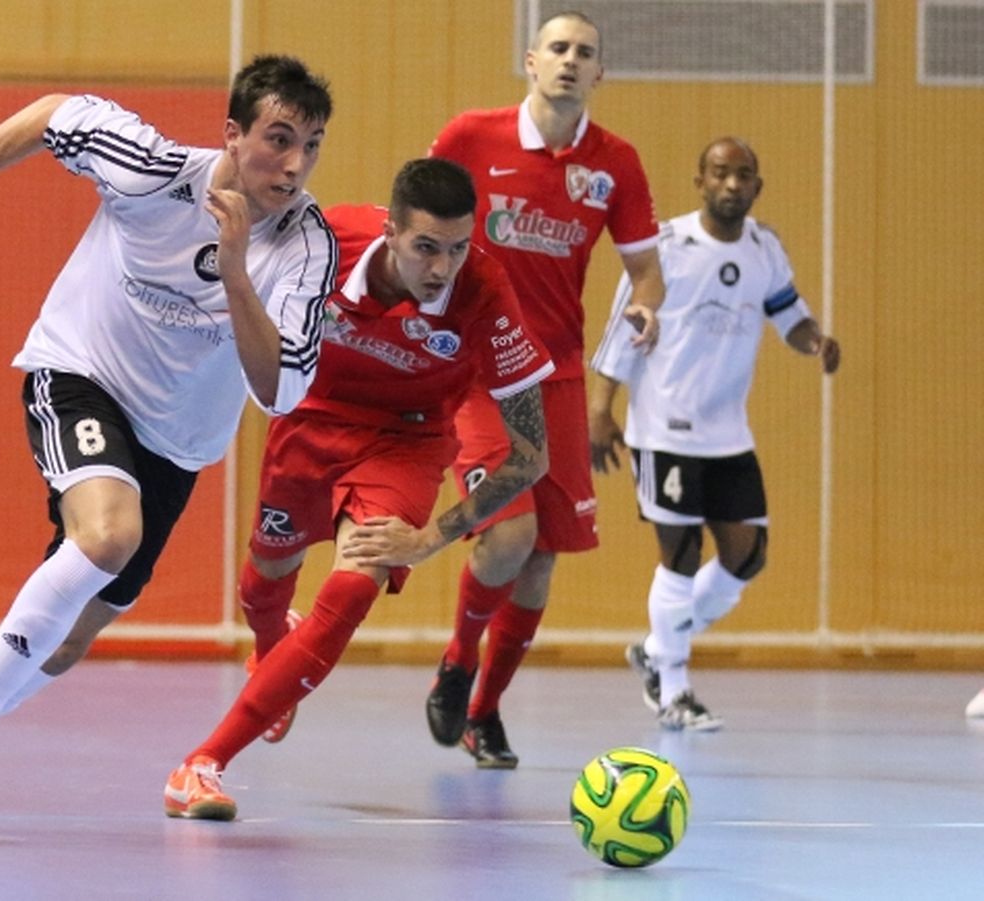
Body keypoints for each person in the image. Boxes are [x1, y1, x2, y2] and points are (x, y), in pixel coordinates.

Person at [0, 55, 336, 831]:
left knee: (67, 635)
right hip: (81, 375)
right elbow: (51, 112)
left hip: (177, 445)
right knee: (110, 535)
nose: (293, 163)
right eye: (278, 139)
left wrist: (241, 271)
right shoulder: (150, 168)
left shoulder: (305, 243)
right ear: (232, 134)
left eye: (310, 146)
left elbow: (279, 391)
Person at [162, 158, 554, 820]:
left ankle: (201, 762)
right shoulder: (328, 236)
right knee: (263, 584)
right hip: (311, 417)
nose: (441, 267)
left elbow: (532, 455)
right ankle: (271, 647)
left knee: (351, 586)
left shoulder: (483, 290)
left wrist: (430, 538)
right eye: (426, 247)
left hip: (407, 440)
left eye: (457, 248)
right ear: (392, 229)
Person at [424, 10, 664, 767]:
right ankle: (459, 660)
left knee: (540, 560)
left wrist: (648, 307)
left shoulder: (615, 163)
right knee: (511, 534)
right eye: (557, 48)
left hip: (554, 374)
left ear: (600, 74)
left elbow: (645, 269)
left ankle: (484, 711)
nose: (569, 61)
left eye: (584, 53)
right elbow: (418, 227)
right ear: (531, 62)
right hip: (475, 370)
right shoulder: (470, 138)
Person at [588, 137, 842, 731]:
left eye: (744, 175)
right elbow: (620, 330)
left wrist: (815, 341)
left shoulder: (764, 248)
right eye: (721, 174)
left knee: (746, 557)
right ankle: (673, 687)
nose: (732, 185)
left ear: (758, 185)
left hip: (728, 434)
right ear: (700, 181)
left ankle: (654, 649)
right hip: (665, 427)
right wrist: (600, 410)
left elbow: (789, 314)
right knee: (680, 556)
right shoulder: (666, 248)